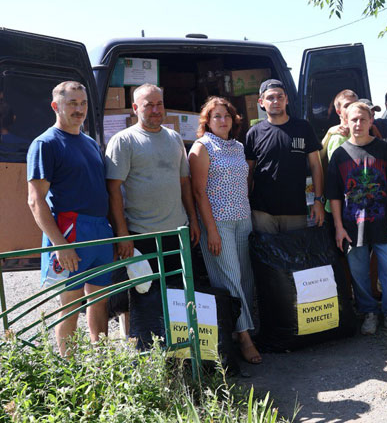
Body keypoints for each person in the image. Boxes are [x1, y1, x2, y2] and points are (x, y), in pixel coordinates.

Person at [105, 83, 200, 343]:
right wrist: (122, 234)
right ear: (136, 108)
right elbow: (113, 191)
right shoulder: (123, 141)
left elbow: (184, 183)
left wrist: (192, 220)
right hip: (141, 236)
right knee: (144, 298)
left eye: (159, 104)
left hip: (176, 233)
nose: (156, 109)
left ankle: (180, 352)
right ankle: (148, 357)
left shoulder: (174, 138)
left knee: (178, 295)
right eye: (149, 105)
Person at [26, 81, 113, 356]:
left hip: (100, 229)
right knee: (70, 305)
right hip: (70, 230)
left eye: (83, 103)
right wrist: (60, 244)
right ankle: (69, 371)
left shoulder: (89, 143)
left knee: (100, 302)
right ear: (56, 106)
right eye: (72, 103)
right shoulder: (45, 143)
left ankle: (103, 364)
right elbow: (35, 200)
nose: (79, 109)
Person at [189, 97, 260, 364]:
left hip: (243, 219)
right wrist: (211, 230)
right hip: (218, 222)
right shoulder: (202, 146)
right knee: (230, 278)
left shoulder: (238, 146)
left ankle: (241, 328)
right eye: (217, 116)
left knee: (246, 278)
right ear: (207, 120)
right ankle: (244, 338)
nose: (223, 120)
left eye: (227, 115)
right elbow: (198, 191)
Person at [326, 101, 387, 334]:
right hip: (353, 225)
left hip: (384, 223)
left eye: (363, 119)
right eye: (354, 119)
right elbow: (334, 195)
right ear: (346, 120)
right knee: (359, 273)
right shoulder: (340, 154)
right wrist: (339, 227)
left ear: (371, 121)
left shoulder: (383, 149)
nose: (358, 124)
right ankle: (369, 313)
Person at [245, 79, 324, 233]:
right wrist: (245, 203)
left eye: (280, 97)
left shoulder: (303, 127)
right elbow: (248, 172)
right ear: (261, 102)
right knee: (266, 255)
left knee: (296, 255)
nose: (276, 101)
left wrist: (318, 200)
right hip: (262, 211)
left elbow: (316, 165)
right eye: (270, 98)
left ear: (286, 100)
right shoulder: (254, 133)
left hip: (295, 210)